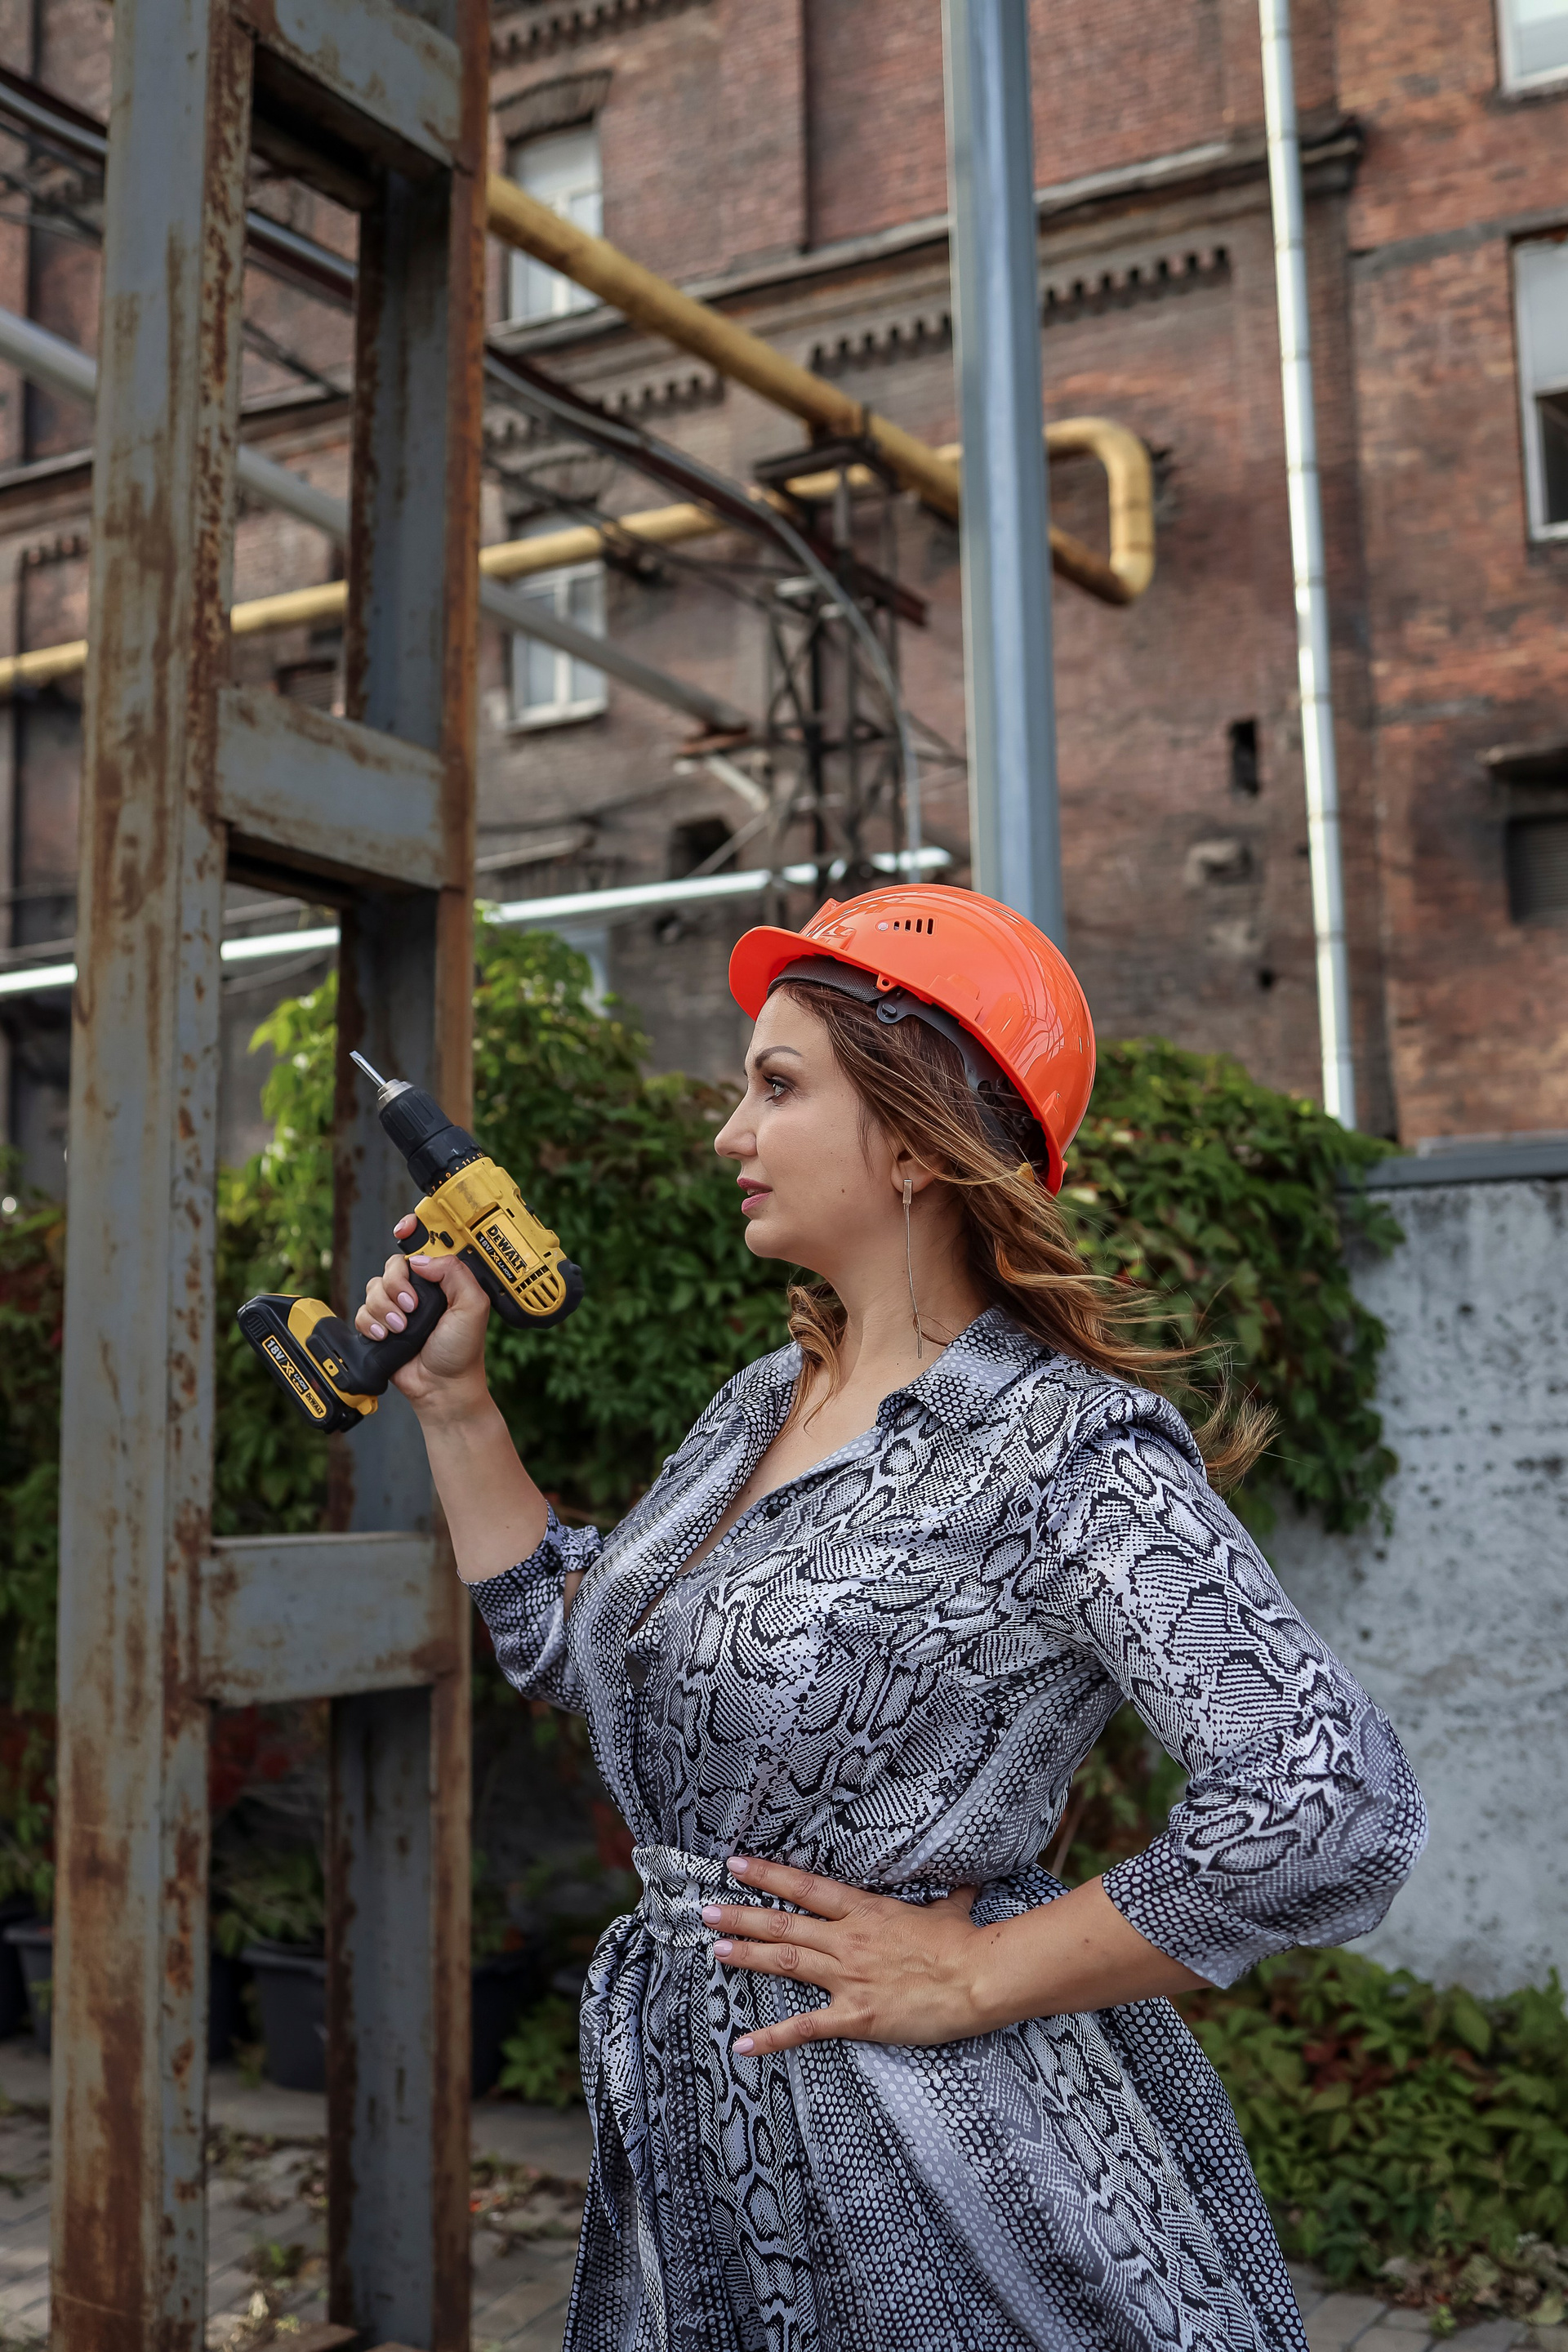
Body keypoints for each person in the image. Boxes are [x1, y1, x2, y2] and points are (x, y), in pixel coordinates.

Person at [356, 884, 1425, 2352]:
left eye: (777, 1087)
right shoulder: (761, 1406)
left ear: (919, 1139)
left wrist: (975, 1972)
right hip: (702, 2151)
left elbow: (1328, 1796)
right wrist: (457, 1407)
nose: (729, 1135)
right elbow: (577, 1654)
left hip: (937, 2169)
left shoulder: (1067, 1448)